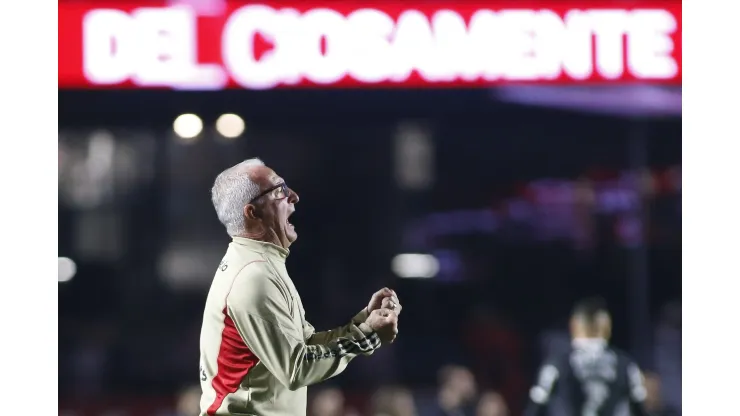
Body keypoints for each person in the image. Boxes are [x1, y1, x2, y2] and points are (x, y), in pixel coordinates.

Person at [199, 158, 402, 416]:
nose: (293, 196)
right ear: (252, 213)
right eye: (279, 190)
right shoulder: (254, 277)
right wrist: (367, 336)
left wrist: (362, 324)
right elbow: (296, 369)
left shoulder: (260, 265)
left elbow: (302, 348)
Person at [524, 297, 651, 416]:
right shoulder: (627, 365)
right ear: (607, 326)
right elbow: (639, 410)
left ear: (573, 324)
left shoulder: (555, 365)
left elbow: (535, 409)